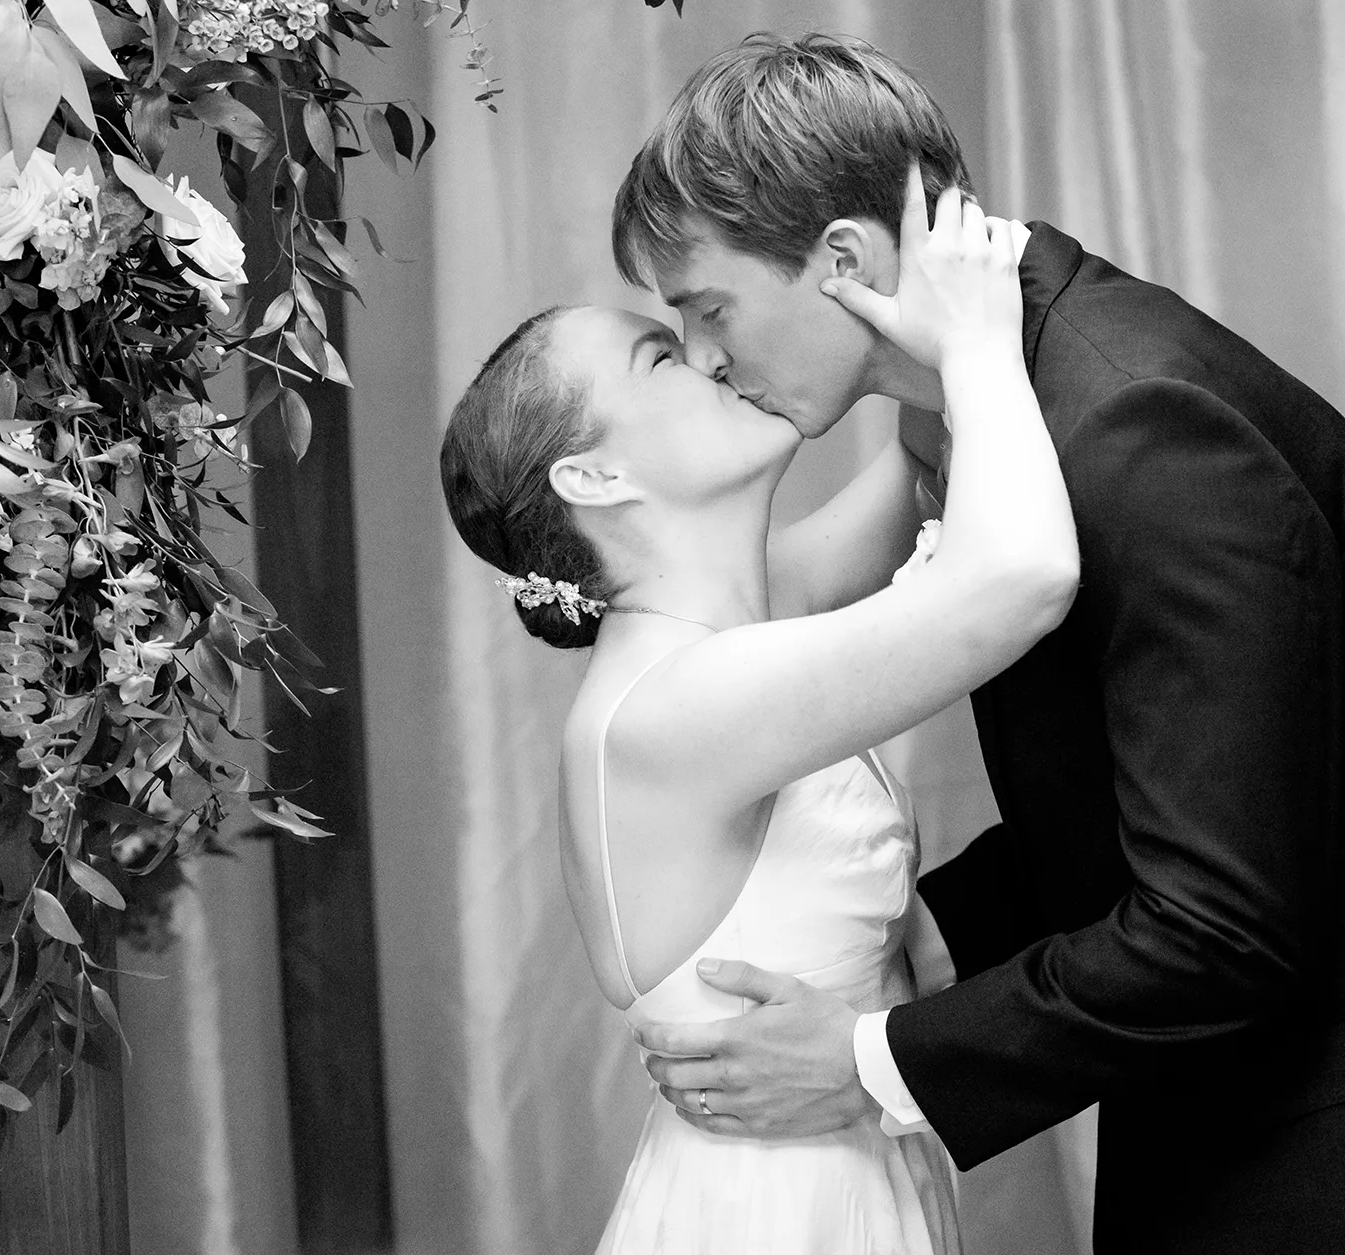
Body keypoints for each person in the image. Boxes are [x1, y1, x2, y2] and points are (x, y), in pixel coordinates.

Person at [612, 32, 1345, 1254]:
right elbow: (1153, 780)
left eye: (707, 307)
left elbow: (1223, 921)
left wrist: (869, 1062)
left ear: (842, 257)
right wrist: (919, 940)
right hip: (1267, 1098)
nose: (707, 359)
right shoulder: (994, 398)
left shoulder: (1143, 426)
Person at [441, 181, 1079, 1252]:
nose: (705, 355)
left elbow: (929, 445)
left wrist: (885, 288)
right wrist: (975, 341)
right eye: (657, 356)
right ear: (593, 474)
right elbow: (1020, 573)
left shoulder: (741, 616)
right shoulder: (669, 712)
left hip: (844, 1170)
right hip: (774, 1213)